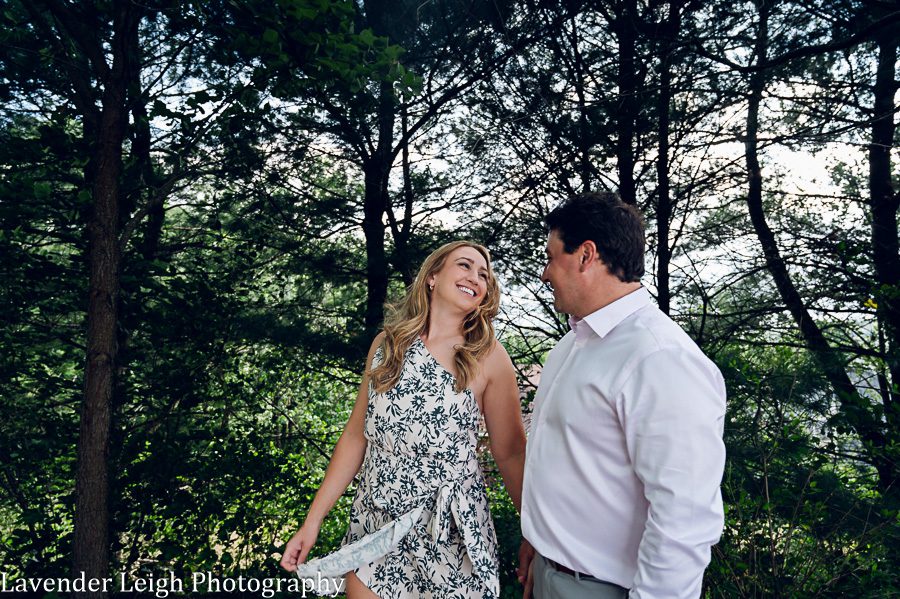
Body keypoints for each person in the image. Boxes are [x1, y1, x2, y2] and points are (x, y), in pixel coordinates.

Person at [280, 241, 526, 599]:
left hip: (451, 531)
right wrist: (312, 521)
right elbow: (355, 436)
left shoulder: (487, 355)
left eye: (484, 275)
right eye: (464, 265)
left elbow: (511, 453)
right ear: (433, 276)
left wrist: (534, 534)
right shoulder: (388, 344)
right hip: (377, 522)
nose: (476, 277)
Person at [517, 192, 726, 599]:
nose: (545, 273)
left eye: (551, 256)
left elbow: (683, 519)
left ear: (585, 255)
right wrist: (538, 541)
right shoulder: (572, 345)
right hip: (548, 573)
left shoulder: (659, 357)